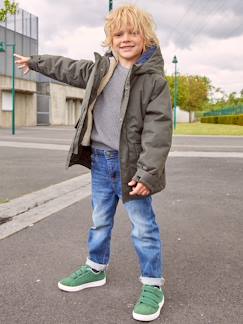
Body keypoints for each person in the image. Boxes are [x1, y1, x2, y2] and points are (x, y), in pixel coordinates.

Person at [15, 4, 172, 322]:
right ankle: (95, 268)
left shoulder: (153, 81)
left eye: (132, 33)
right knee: (100, 221)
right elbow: (66, 67)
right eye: (118, 34)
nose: (125, 39)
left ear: (146, 37)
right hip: (101, 163)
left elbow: (158, 131)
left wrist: (148, 173)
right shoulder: (100, 70)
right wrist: (35, 62)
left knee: (144, 228)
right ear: (110, 39)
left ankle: (153, 285)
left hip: (132, 169)